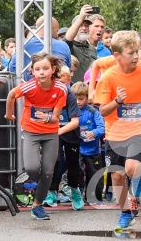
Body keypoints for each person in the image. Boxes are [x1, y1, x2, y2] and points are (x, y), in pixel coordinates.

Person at [94, 30, 141, 231]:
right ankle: (125, 213)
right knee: (116, 176)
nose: (136, 57)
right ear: (117, 56)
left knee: (131, 168)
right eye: (131, 53)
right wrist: (117, 101)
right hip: (115, 131)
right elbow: (103, 111)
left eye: (137, 51)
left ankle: (138, 177)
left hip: (139, 128)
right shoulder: (108, 77)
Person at [5, 53, 68, 220]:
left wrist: (46, 117)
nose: (42, 72)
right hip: (31, 131)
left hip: (50, 132)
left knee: (48, 172)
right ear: (32, 71)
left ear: (53, 70)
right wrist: (9, 114)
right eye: (38, 69)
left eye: (46, 68)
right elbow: (11, 94)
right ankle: (38, 185)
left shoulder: (61, 89)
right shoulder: (29, 86)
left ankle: (38, 205)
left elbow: (55, 117)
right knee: (33, 168)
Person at [43, 66, 84, 211]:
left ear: (69, 80)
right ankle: (52, 191)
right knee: (56, 161)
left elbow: (75, 122)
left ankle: (74, 190)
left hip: (70, 133)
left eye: (62, 78)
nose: (58, 81)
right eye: (56, 78)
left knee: (73, 164)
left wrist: (58, 131)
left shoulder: (70, 96)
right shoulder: (49, 93)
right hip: (54, 133)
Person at [63, 5, 98, 82]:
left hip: (89, 89)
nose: (84, 28)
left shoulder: (92, 49)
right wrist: (81, 17)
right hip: (74, 90)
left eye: (86, 25)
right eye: (80, 25)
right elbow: (68, 38)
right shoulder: (69, 46)